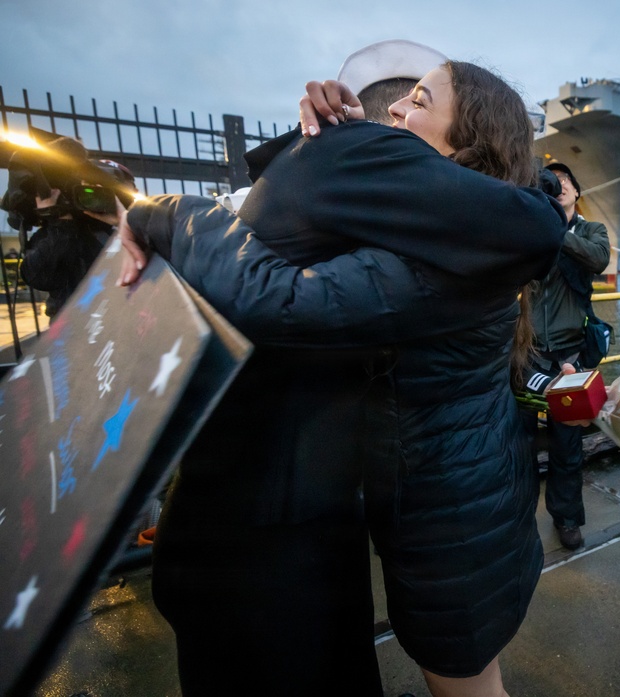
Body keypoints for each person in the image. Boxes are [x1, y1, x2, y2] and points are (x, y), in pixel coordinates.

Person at [119, 60, 566, 697]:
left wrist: (166, 210)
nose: (392, 113)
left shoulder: (435, 263)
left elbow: (278, 298)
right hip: (476, 491)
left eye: (417, 102)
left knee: (465, 682)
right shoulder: (466, 246)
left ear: (466, 147)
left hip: (449, 520)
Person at [519, 161, 610, 550]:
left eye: (566, 181)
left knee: (567, 448)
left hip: (570, 355)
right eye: (551, 182)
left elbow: (599, 258)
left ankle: (567, 517)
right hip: (527, 354)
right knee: (517, 441)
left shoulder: (591, 230)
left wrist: (556, 229)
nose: (559, 186)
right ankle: (517, 517)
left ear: (576, 191)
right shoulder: (531, 227)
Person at [0, 137, 137, 317]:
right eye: (86, 190)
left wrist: (123, 221)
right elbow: (37, 276)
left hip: (123, 318)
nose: (92, 196)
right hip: (73, 330)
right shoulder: (49, 235)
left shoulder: (121, 230)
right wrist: (60, 220)